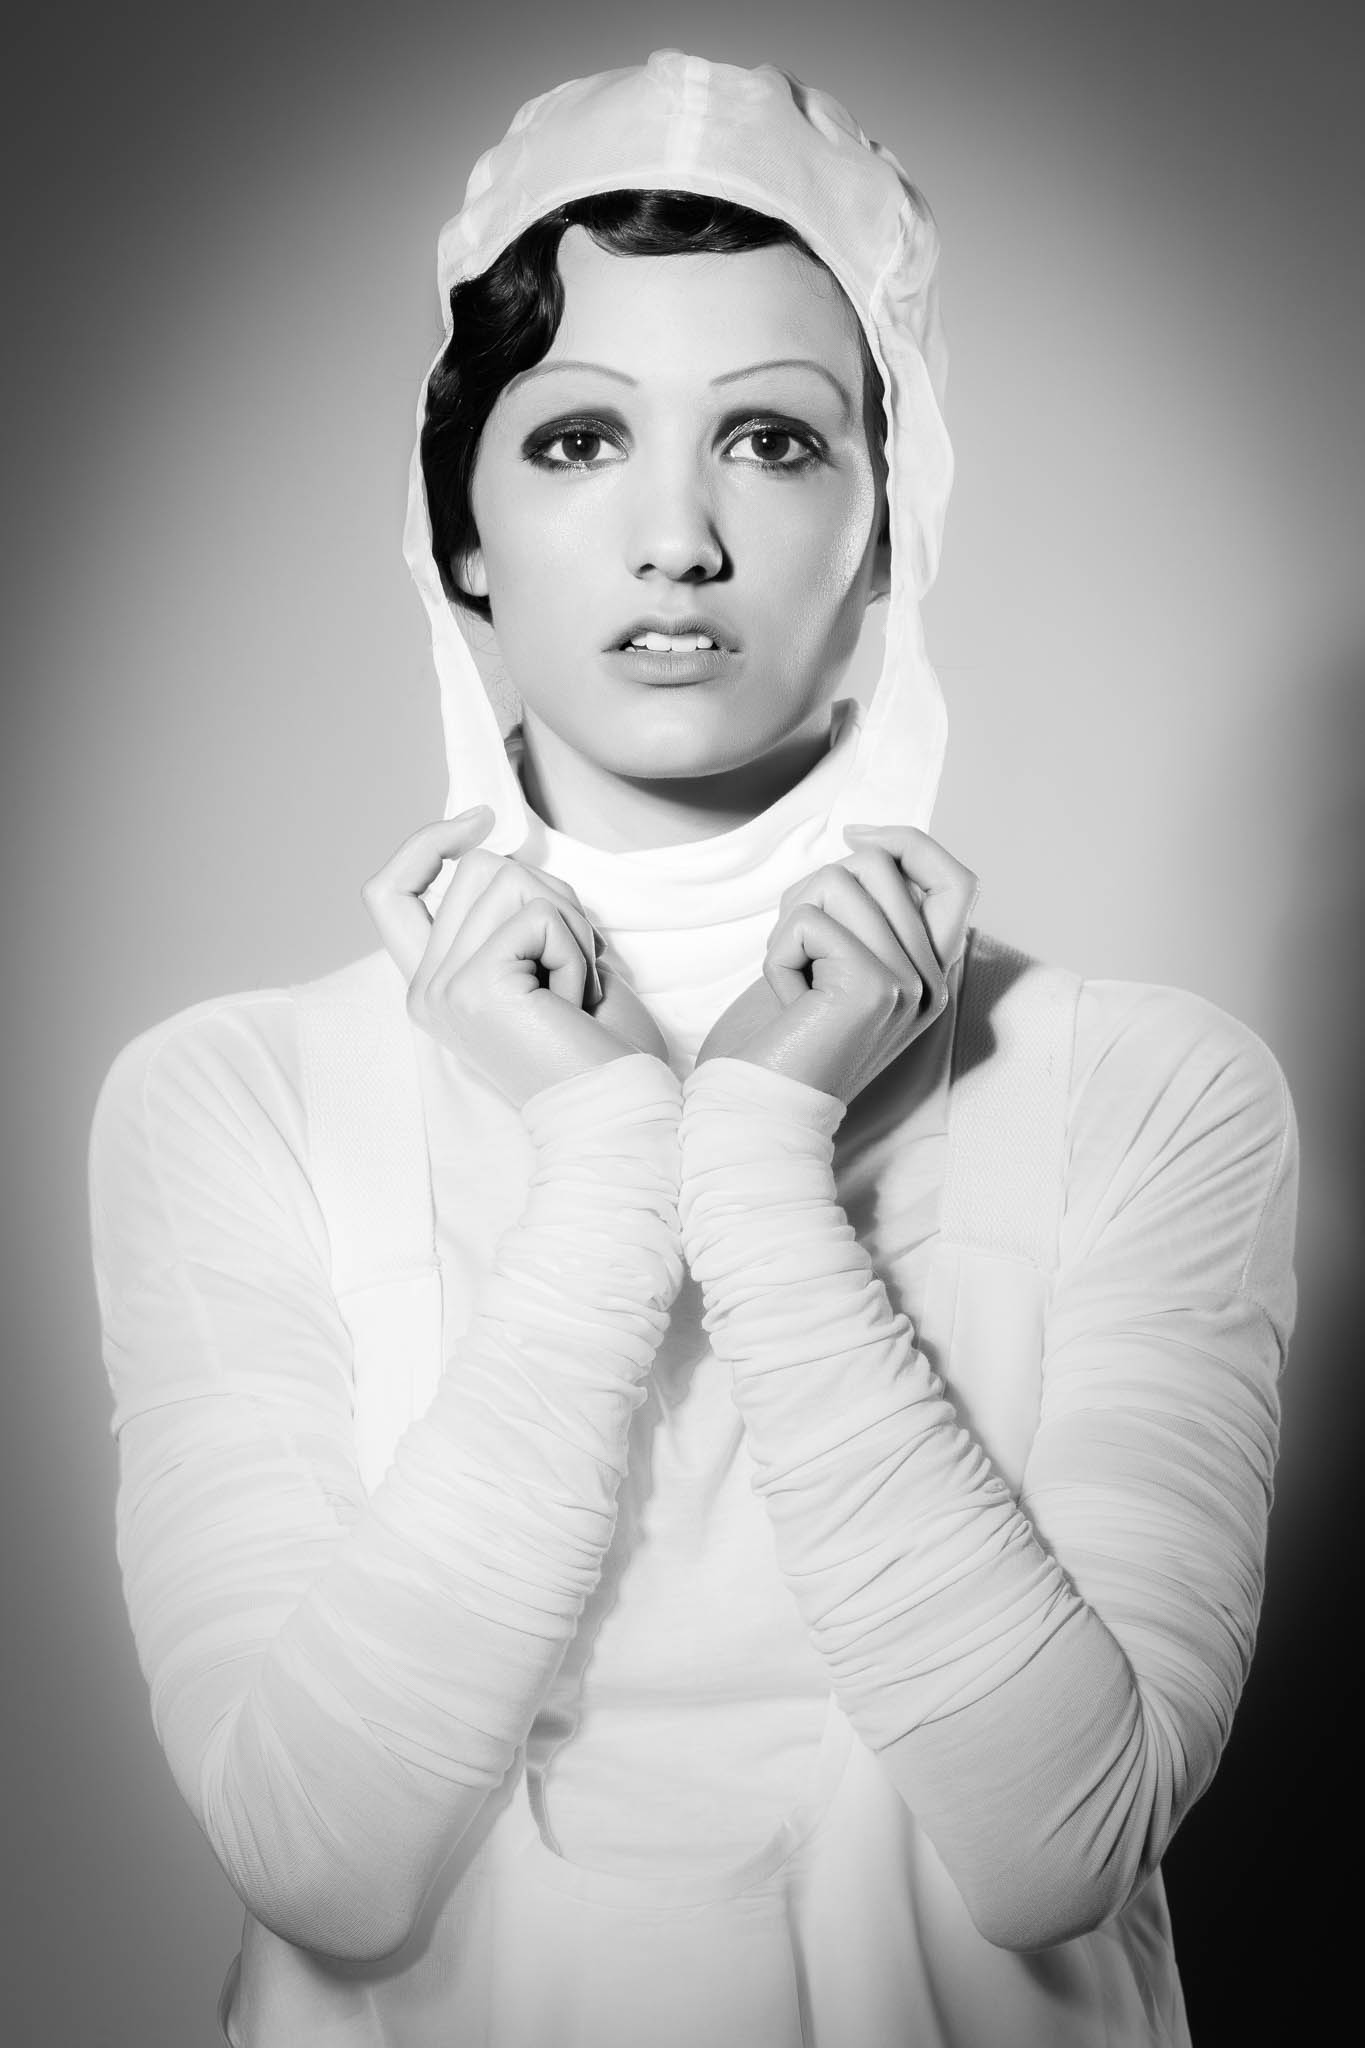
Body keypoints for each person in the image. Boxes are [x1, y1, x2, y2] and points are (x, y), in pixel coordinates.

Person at [86, 49, 1299, 2048]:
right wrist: (594, 1161)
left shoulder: (1147, 1088)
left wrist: (751, 1147)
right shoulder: (233, 1099)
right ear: (454, 531)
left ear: (893, 513)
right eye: (573, 441)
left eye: (770, 437)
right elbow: (316, 1852)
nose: (674, 536)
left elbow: (1054, 1843)